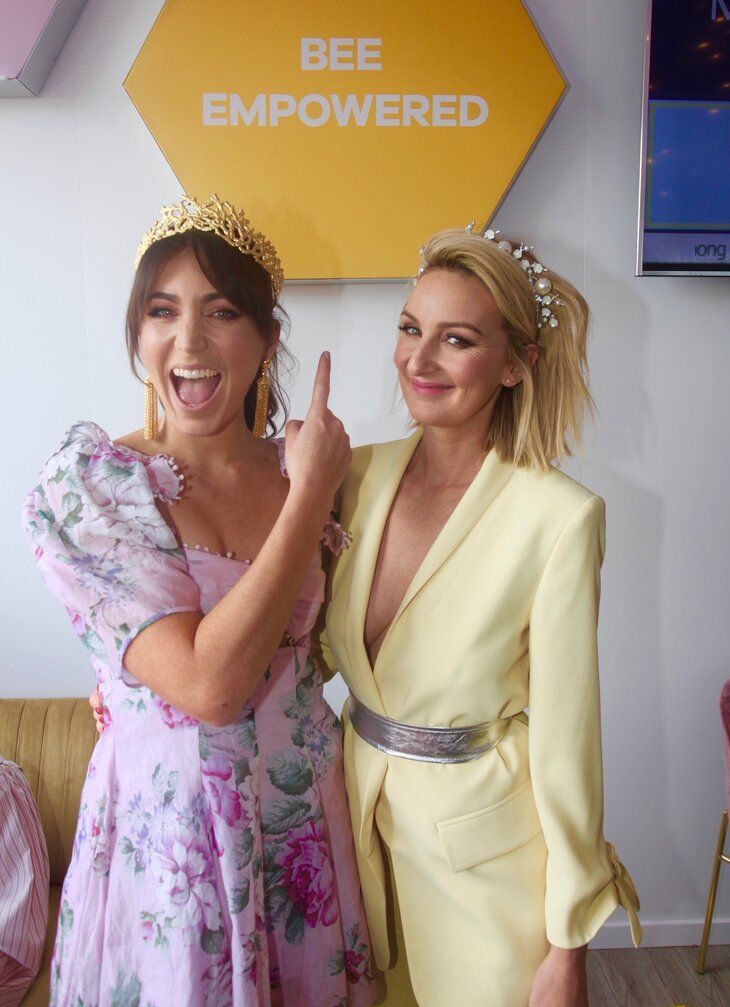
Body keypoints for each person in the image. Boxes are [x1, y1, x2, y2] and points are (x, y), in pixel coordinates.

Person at [23, 195, 376, 1007]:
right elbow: (208, 688)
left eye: (221, 312)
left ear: (266, 338)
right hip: (170, 846)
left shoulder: (308, 468)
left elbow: (324, 647)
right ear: (138, 332)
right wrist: (309, 497)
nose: (188, 342)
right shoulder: (94, 485)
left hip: (299, 830)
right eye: (162, 311)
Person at [322, 228, 642, 1007]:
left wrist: (568, 942)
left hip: (488, 870)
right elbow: (300, 651)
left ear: (512, 364)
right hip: (354, 838)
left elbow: (569, 739)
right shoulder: (353, 473)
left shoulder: (559, 518)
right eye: (410, 328)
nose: (418, 360)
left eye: (455, 340)